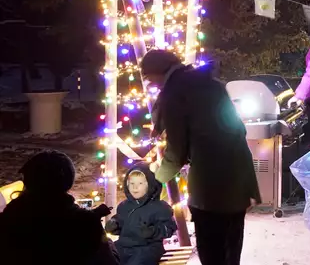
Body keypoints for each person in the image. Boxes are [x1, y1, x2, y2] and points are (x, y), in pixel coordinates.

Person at [141, 50, 260, 265]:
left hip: (211, 185)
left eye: (150, 78)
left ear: (159, 72)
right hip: (238, 177)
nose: (151, 84)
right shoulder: (209, 84)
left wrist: (154, 180)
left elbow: (176, 153)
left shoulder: (176, 94)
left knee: (212, 251)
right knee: (231, 249)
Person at [0, 150, 119, 265]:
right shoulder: (84, 223)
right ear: (68, 182)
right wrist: (108, 242)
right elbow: (108, 261)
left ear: (27, 180)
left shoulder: (10, 218)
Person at [106, 165, 177, 265]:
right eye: (131, 183)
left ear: (149, 185)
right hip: (124, 246)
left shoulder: (159, 207)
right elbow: (121, 222)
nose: (135, 187)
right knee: (106, 257)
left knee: (137, 261)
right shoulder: (124, 206)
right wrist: (114, 225)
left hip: (148, 248)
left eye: (140, 183)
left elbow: (169, 228)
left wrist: (152, 231)